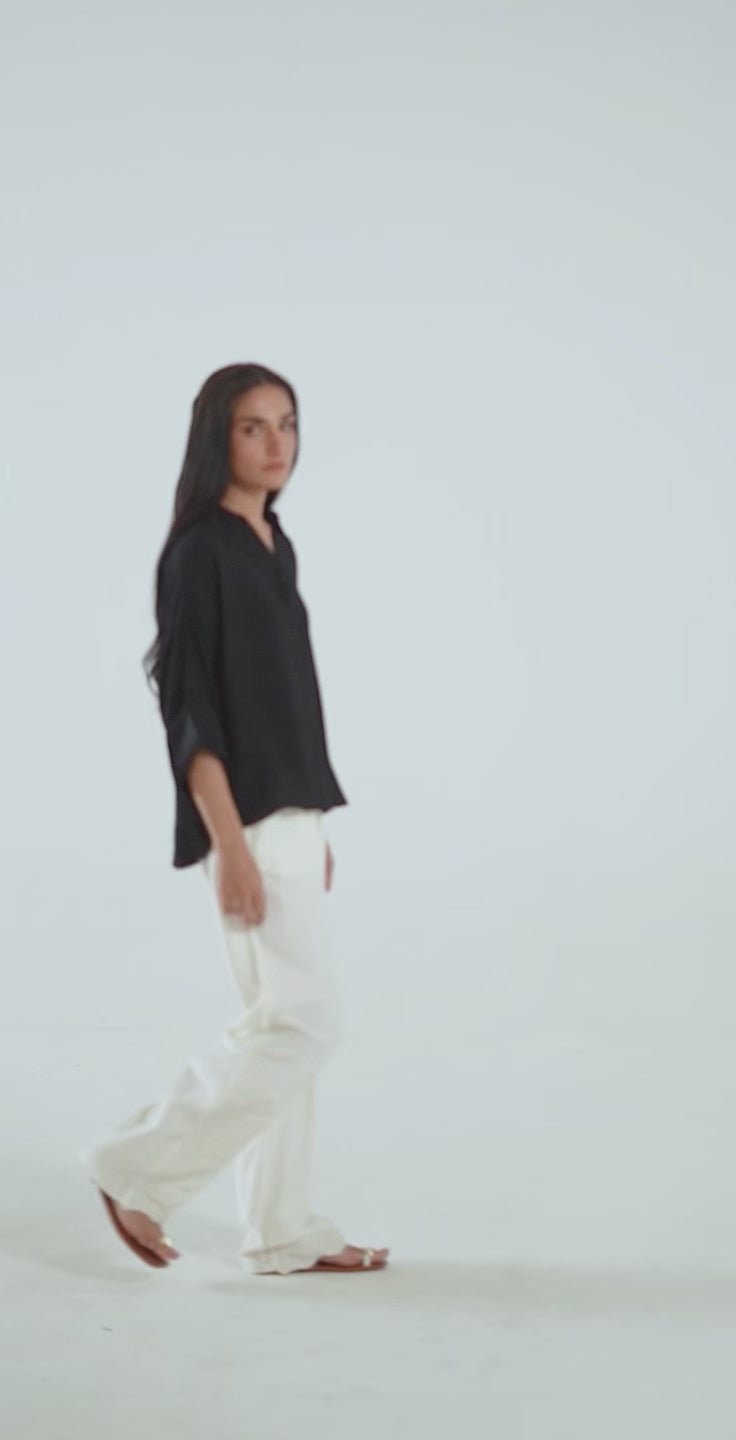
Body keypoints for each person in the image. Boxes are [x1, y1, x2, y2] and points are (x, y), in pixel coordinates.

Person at [82, 363, 389, 1276]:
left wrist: (311, 816)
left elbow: (281, 701)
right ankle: (135, 1169)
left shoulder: (273, 543)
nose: (277, 442)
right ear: (218, 435)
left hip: (290, 817)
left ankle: (281, 1229)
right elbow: (193, 715)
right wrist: (231, 843)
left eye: (287, 423)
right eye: (254, 426)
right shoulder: (198, 553)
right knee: (304, 1023)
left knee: (280, 1027)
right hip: (244, 822)